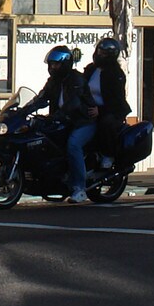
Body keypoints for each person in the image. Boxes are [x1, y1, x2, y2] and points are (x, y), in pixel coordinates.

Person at [39, 45, 95, 202]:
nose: (52, 67)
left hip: (83, 122)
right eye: (51, 64)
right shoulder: (53, 81)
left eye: (56, 64)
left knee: (73, 145)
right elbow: (42, 98)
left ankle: (79, 188)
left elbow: (74, 103)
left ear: (65, 64)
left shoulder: (76, 79)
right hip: (62, 121)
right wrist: (23, 110)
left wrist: (58, 114)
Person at [85, 37, 131, 171]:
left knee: (106, 123)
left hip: (110, 111)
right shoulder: (91, 69)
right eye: (99, 51)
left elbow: (117, 99)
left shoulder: (116, 73)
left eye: (104, 53)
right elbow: (81, 86)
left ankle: (108, 155)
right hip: (89, 108)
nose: (100, 55)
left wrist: (101, 110)